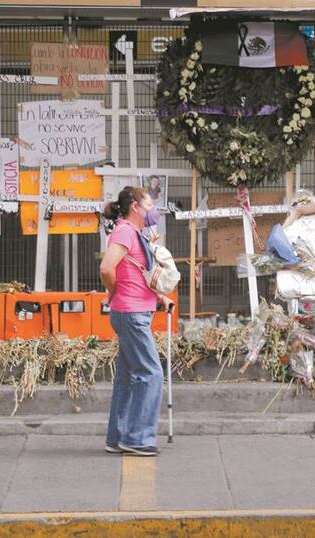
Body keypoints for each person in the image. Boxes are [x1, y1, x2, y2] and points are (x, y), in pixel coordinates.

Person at [99, 186, 171, 456]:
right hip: (130, 314)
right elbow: (107, 267)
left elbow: (134, 273)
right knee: (151, 374)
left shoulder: (134, 233)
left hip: (133, 310)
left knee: (129, 378)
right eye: (149, 205)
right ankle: (138, 438)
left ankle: (117, 437)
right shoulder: (126, 231)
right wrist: (115, 292)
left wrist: (160, 297)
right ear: (135, 208)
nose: (153, 210)